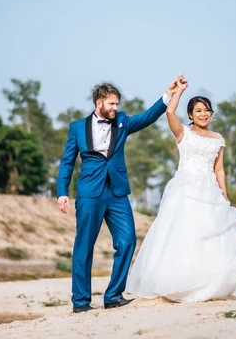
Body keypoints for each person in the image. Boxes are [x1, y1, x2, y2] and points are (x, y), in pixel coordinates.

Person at [126, 76, 236, 302]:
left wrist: (224, 192)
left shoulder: (218, 139)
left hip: (210, 190)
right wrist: (179, 91)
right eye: (198, 110)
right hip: (185, 189)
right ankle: (179, 284)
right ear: (190, 115)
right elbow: (170, 113)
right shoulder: (183, 133)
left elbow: (219, 169)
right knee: (183, 234)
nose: (203, 114)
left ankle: (213, 283)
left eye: (207, 110)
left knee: (212, 236)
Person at [56, 78, 180, 313]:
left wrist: (168, 94)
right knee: (84, 247)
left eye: (117, 104)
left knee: (127, 240)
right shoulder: (77, 128)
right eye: (112, 104)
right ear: (99, 102)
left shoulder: (122, 122)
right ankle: (80, 302)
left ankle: (113, 295)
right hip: (89, 194)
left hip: (117, 193)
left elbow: (147, 117)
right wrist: (62, 192)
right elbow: (67, 163)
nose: (116, 108)